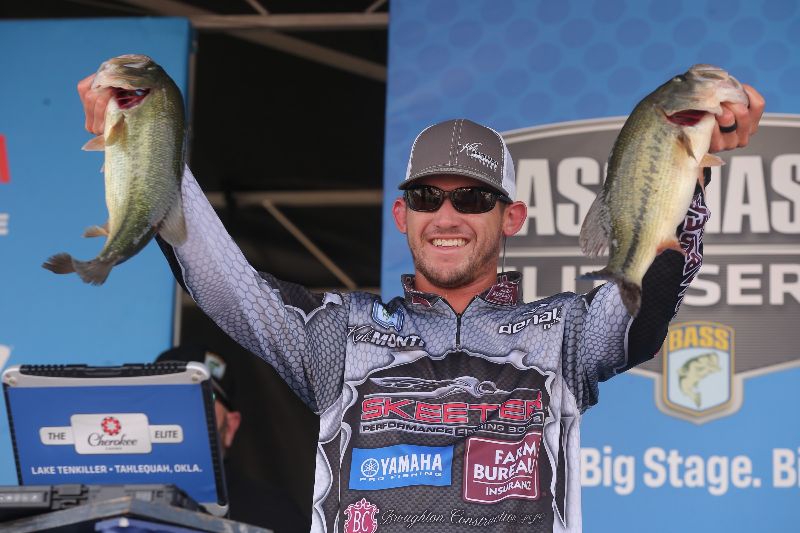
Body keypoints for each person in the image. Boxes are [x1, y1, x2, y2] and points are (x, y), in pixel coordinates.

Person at [79, 72, 764, 532]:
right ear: (402, 215)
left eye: (472, 197)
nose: (448, 214)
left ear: (512, 216)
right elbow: (225, 280)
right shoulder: (340, 334)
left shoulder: (562, 332)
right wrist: (142, 136)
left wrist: (691, 158)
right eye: (428, 197)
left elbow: (648, 289)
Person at [157, 344, 309, 533]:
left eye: (203, 394)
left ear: (230, 426)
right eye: (168, 393)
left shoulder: (274, 514)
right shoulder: (116, 500)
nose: (183, 407)